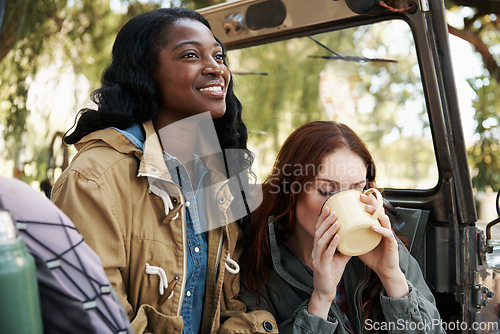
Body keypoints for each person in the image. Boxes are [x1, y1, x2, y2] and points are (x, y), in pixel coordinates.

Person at [51, 7, 276, 334]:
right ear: (144, 72)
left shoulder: (216, 178)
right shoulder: (94, 177)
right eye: (190, 55)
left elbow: (233, 303)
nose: (216, 68)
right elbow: (96, 318)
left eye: (219, 56)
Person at [240, 121, 444, 333]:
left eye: (357, 189)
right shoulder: (258, 265)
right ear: (290, 191)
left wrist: (392, 277)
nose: (344, 204)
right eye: (327, 190)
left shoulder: (387, 251)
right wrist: (320, 300)